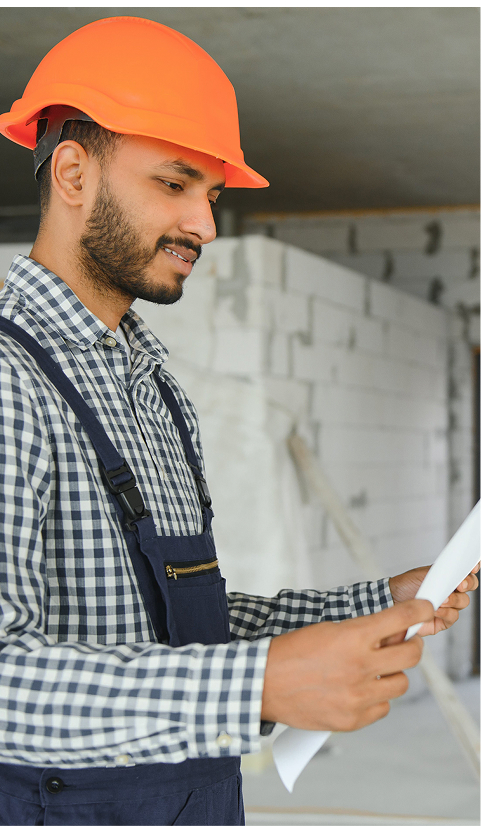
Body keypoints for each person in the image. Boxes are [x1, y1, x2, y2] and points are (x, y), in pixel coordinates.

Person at [0, 16, 477, 826]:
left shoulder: (153, 386)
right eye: (175, 183)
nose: (205, 227)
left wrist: (369, 604)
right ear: (73, 173)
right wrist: (257, 685)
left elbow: (185, 625)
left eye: (212, 196)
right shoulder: (9, 381)